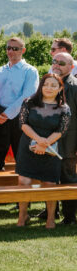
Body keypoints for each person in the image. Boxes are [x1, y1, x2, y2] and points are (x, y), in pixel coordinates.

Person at [15, 72, 70, 229]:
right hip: (28, 148)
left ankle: (51, 218)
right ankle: (22, 216)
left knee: (50, 183)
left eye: (53, 85)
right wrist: (38, 140)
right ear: (41, 86)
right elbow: (23, 124)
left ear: (60, 88)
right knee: (23, 181)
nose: (49, 88)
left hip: (50, 149)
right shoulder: (29, 102)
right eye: (46, 84)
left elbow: (62, 130)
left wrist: (45, 144)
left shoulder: (64, 108)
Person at [0, 37, 39, 171]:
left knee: (23, 158)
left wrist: (7, 114)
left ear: (23, 50)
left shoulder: (30, 71)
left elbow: (27, 96)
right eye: (8, 48)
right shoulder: (0, 70)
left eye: (15, 48)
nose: (11, 51)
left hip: (19, 119)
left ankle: (25, 189)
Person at [51, 53, 77, 224]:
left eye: (61, 63)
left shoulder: (73, 86)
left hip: (69, 142)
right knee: (52, 178)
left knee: (68, 179)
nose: (57, 65)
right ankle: (52, 214)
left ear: (71, 67)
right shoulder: (50, 83)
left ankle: (70, 217)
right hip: (52, 141)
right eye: (54, 61)